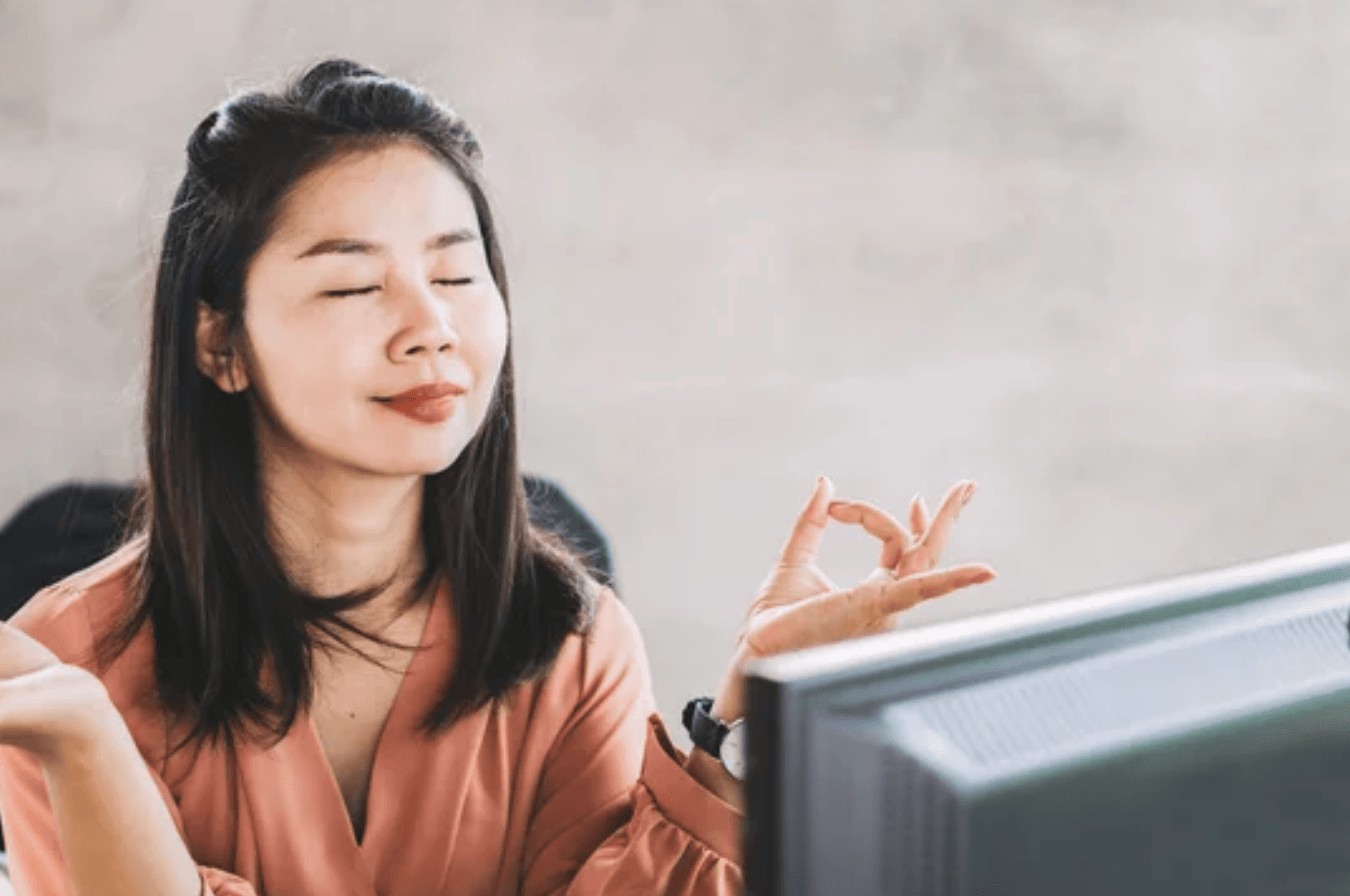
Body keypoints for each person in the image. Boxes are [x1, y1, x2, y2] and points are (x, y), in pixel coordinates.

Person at [0, 59, 996, 896]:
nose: (429, 324)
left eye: (456, 272)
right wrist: (86, 740)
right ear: (220, 343)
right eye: (352, 282)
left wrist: (744, 716)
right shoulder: (65, 666)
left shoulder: (571, 640)